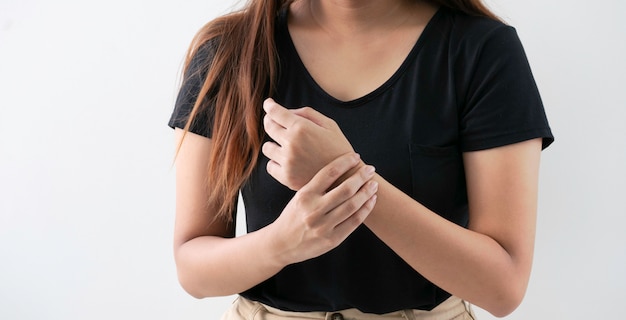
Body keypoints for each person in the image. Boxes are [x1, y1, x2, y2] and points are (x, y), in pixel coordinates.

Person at [168, 0, 554, 319]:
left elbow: (503, 288)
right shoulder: (228, 50)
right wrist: (282, 243)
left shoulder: (482, 50)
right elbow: (193, 268)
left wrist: (344, 174)